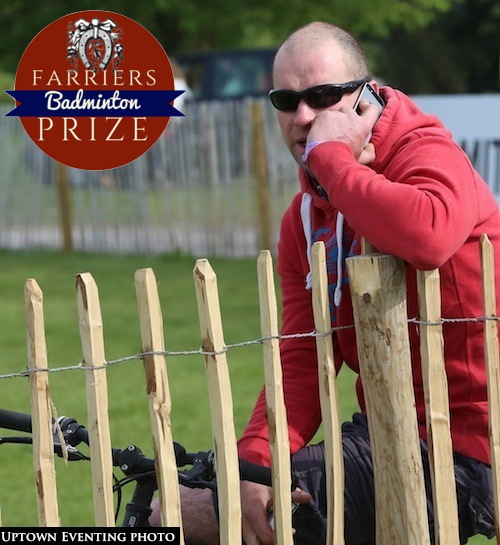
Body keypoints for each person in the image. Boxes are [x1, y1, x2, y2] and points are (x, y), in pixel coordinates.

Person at [150, 21, 499, 544]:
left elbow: (430, 234)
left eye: (322, 96)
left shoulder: (423, 153)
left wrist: (331, 159)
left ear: (367, 97)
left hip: (472, 447)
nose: (304, 116)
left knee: (186, 519)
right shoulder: (306, 220)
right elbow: (302, 360)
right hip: (389, 431)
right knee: (203, 503)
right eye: (286, 100)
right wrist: (254, 463)